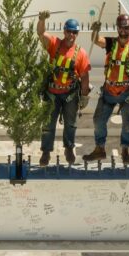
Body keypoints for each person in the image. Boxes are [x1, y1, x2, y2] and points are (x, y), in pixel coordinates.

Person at [83, 13, 129, 164]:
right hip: (109, 90)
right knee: (98, 120)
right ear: (117, 28)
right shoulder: (111, 43)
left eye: (127, 27)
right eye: (121, 27)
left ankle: (125, 150)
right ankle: (100, 149)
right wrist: (95, 31)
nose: (124, 30)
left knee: (127, 123)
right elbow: (96, 40)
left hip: (126, 92)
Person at [36, 14, 91, 166]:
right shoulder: (55, 44)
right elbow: (41, 33)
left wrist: (84, 96)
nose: (71, 35)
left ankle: (69, 148)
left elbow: (85, 76)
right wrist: (42, 20)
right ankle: (46, 152)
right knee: (48, 124)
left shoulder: (81, 53)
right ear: (64, 31)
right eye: (69, 31)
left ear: (77, 34)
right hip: (52, 93)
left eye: (74, 32)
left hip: (70, 94)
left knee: (71, 124)